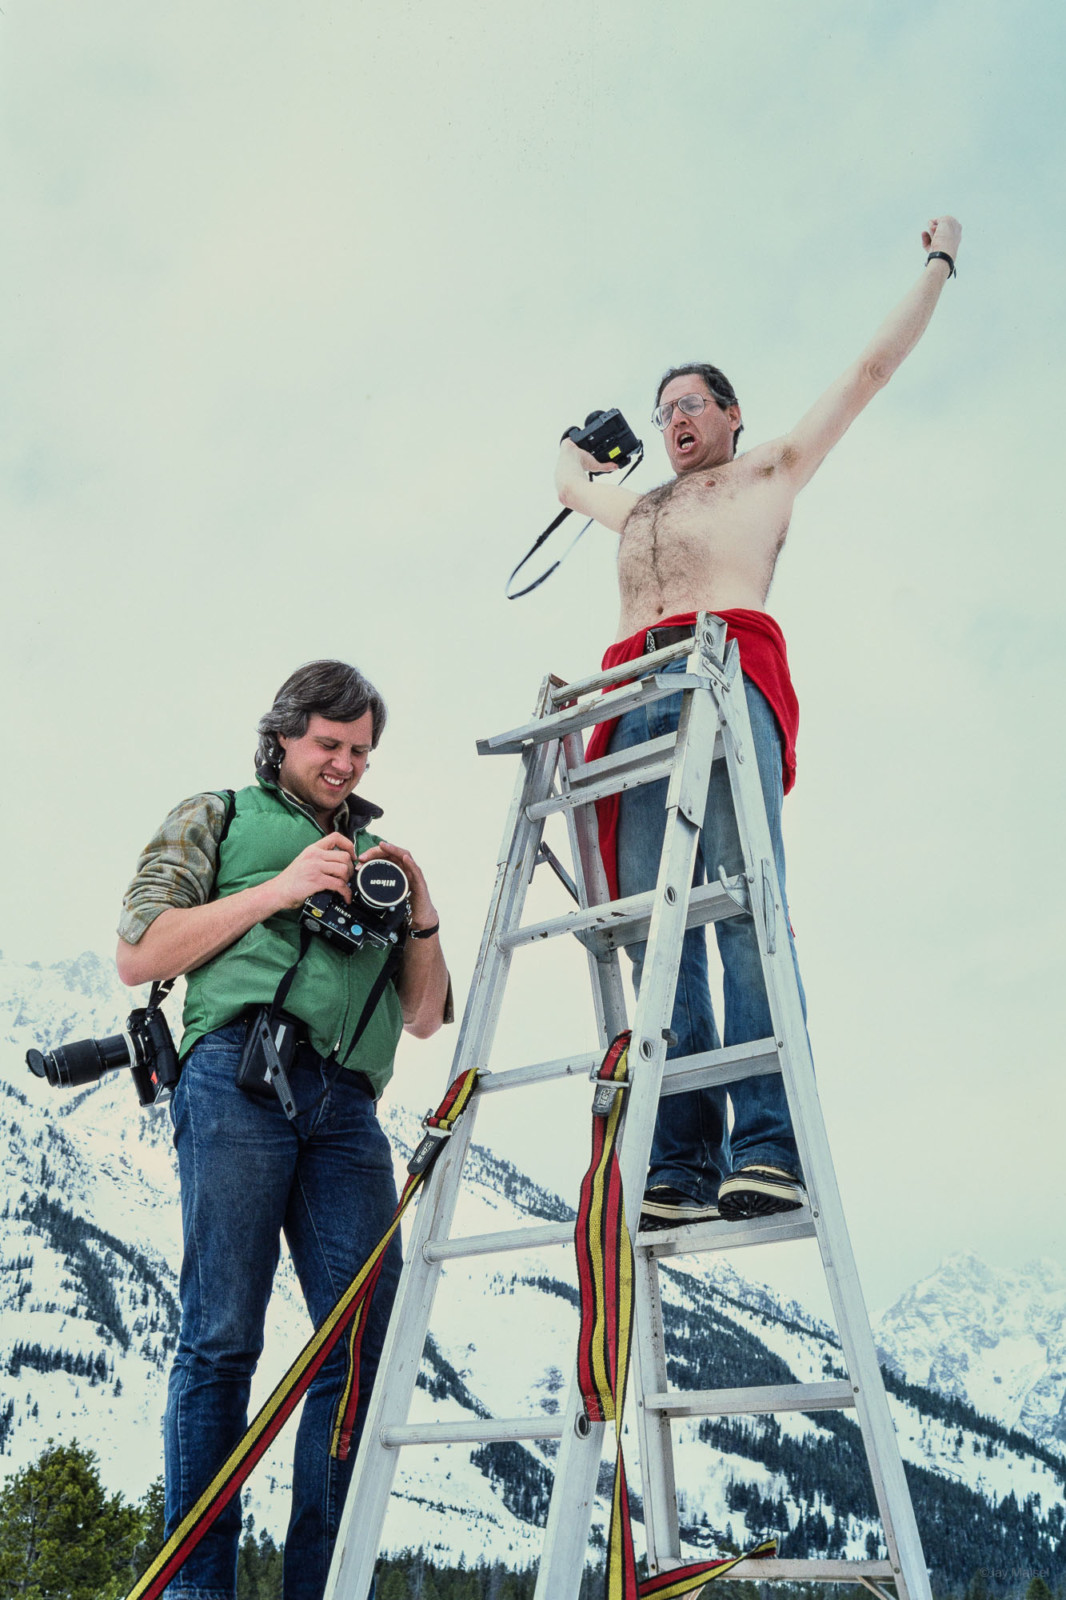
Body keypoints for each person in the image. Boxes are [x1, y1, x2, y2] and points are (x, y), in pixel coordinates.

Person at [554, 218, 962, 1228]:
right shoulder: (641, 507)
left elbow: (868, 370)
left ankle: (767, 1144)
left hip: (719, 670)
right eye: (661, 412)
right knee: (662, 930)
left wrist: (938, 262)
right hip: (628, 697)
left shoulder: (769, 470)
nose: (674, 418)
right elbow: (571, 485)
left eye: (690, 402)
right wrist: (580, 441)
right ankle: (682, 1161)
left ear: (732, 415)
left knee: (737, 904)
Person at [116, 658, 451, 1600]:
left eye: (362, 751)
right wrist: (282, 887)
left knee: (361, 1342)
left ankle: (321, 1585)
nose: (347, 764)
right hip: (237, 1079)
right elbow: (138, 955)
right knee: (222, 1336)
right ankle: (197, 1588)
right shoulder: (214, 815)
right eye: (330, 745)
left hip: (348, 1108)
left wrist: (418, 906)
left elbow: (426, 1017)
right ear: (283, 738)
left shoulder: (376, 862)